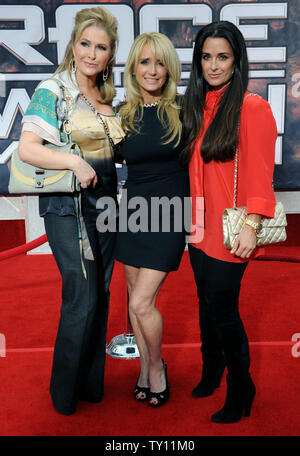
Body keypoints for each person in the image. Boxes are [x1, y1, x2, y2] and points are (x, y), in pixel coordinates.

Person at [18, 6, 125, 415]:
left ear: (110, 53)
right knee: (80, 296)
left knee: (100, 293)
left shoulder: (107, 95)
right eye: (85, 44)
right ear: (73, 45)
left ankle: (90, 386)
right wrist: (74, 162)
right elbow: (28, 148)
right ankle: (64, 395)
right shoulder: (54, 89)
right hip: (68, 209)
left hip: (107, 207)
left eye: (100, 47)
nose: (91, 54)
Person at [181, 21, 277, 423]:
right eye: (206, 56)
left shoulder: (251, 107)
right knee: (205, 303)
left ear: (237, 61)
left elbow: (258, 172)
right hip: (197, 228)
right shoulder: (195, 106)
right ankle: (212, 366)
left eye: (222, 57)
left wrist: (252, 225)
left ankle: (242, 386)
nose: (214, 65)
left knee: (223, 309)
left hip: (230, 230)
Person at [115, 32, 189, 408]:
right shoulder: (122, 115)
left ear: (170, 68)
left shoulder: (183, 109)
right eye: (144, 62)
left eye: (160, 62)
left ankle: (157, 367)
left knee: (143, 302)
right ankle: (143, 370)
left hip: (171, 213)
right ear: (133, 68)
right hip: (132, 213)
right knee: (133, 300)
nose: (152, 70)